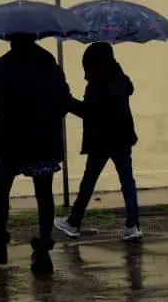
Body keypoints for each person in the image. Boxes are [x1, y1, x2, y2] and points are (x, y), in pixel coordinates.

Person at [0, 33, 72, 274]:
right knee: (44, 192)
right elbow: (62, 101)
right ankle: (42, 251)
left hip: (12, 136)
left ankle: (0, 246)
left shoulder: (5, 63)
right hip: (42, 137)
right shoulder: (49, 62)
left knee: (2, 188)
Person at [55, 42, 142, 241]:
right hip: (122, 136)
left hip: (102, 138)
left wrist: (68, 103)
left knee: (89, 180)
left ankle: (73, 222)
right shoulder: (120, 78)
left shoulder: (98, 83)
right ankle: (133, 224)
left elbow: (89, 112)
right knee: (127, 180)